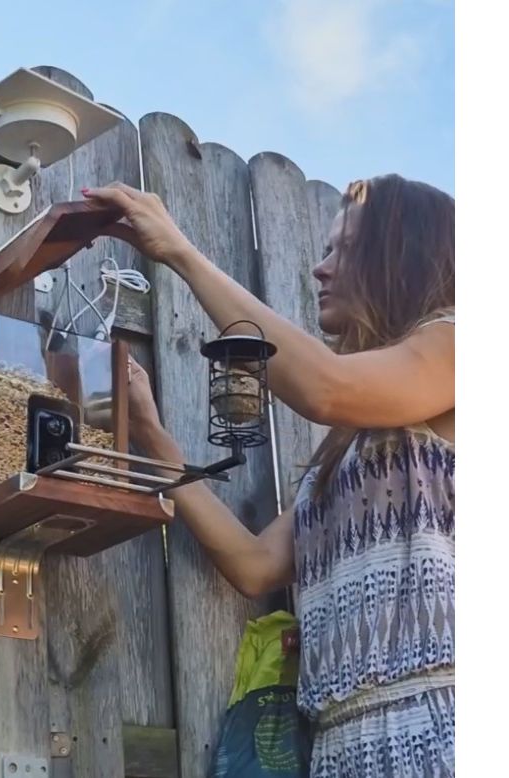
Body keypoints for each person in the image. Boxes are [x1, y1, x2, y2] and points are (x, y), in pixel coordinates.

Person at [82, 175, 455, 777]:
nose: (321, 268)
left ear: (403, 255)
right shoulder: (352, 447)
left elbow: (325, 388)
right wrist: (151, 433)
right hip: (340, 743)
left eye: (347, 249)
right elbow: (254, 564)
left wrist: (179, 252)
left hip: (440, 723)